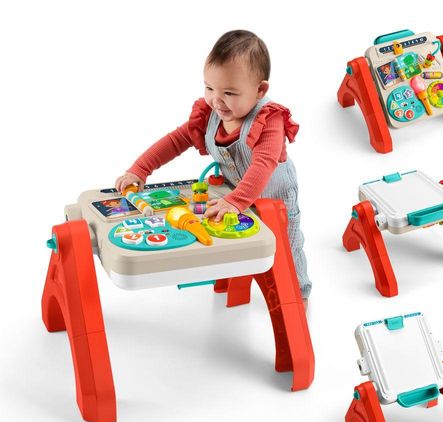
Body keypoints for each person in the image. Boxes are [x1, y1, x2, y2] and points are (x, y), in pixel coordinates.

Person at [115, 30, 311, 303]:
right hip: (232, 192)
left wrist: (237, 201)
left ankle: (299, 295)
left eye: (229, 92)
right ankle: (233, 282)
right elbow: (175, 140)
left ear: (260, 90)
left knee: (288, 246)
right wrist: (140, 169)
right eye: (209, 88)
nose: (216, 100)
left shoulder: (269, 119)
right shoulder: (211, 114)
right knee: (228, 237)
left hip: (274, 196)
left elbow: (263, 163)